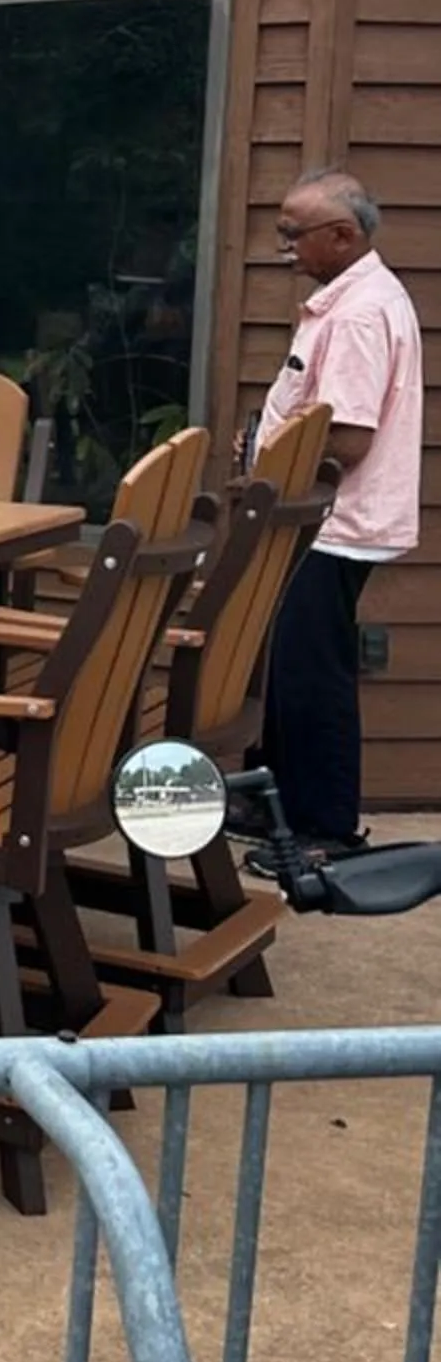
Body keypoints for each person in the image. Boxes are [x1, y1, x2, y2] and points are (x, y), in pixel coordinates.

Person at [250, 168, 424, 871]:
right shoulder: (352, 298)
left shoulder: (355, 314)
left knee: (314, 674)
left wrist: (274, 461)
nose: (283, 247)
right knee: (292, 668)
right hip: (317, 521)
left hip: (331, 523)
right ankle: (281, 804)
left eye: (293, 235)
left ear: (342, 235)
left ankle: (326, 831)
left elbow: (345, 439)